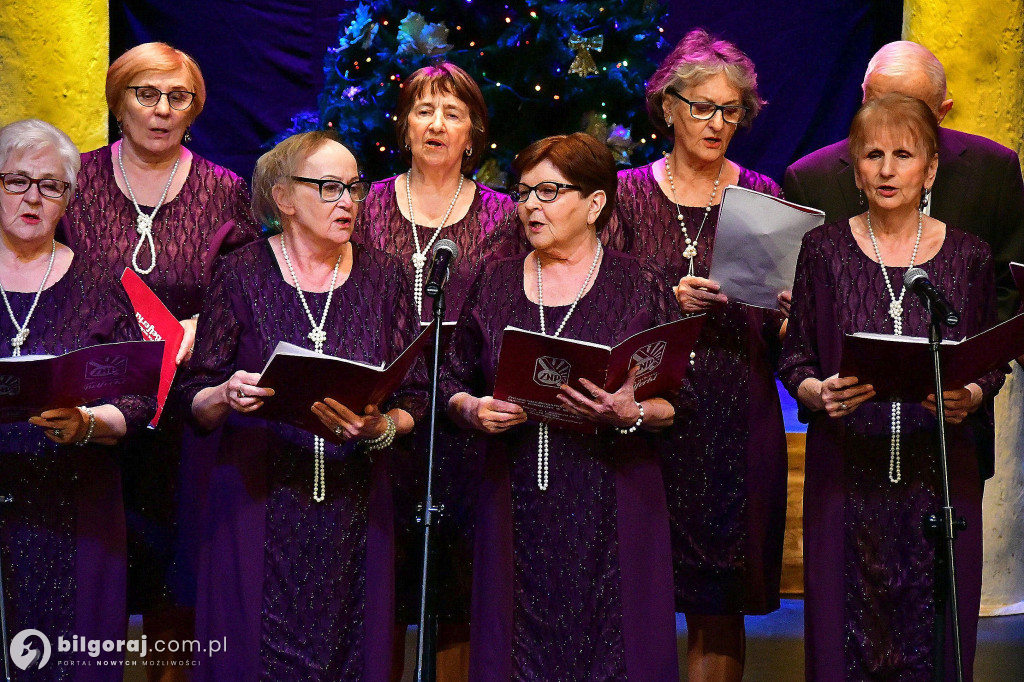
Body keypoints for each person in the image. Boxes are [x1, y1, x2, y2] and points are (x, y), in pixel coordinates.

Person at [178, 130, 427, 680]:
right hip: (255, 502)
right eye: (330, 187)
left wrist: (380, 425)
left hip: (355, 506)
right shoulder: (239, 272)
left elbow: (416, 397)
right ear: (284, 197)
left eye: (354, 188)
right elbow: (193, 395)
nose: (348, 201)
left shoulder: (385, 278)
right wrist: (225, 394)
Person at [779, 94, 1005, 681]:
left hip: (940, 477)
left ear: (929, 168)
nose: (885, 169)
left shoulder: (970, 257)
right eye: (872, 155)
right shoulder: (822, 251)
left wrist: (972, 395)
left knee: (935, 636)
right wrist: (814, 391)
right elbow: (795, 352)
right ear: (854, 168)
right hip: (845, 474)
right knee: (843, 638)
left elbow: (988, 361)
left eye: (902, 155)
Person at [442, 133, 682, 681]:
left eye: (549, 192)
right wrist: (472, 407)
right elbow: (451, 378)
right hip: (513, 494)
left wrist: (633, 412)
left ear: (595, 203)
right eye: (524, 192)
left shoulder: (640, 283)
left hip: (614, 497)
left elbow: (676, 400)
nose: (530, 205)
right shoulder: (495, 280)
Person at [60, 41, 261, 674]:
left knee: (179, 572)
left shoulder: (226, 191)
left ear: (195, 110)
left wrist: (194, 330)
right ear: (118, 102)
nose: (161, 110)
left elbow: (248, 289)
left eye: (178, 98)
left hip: (188, 402)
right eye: (146, 94)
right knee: (91, 571)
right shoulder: (77, 181)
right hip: (89, 398)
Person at [604, 28, 787, 682]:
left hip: (738, 413)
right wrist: (661, 300)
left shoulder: (761, 192)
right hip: (650, 414)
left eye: (731, 110)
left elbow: (779, 324)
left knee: (722, 604)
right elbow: (599, 305)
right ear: (670, 106)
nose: (717, 123)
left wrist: (787, 309)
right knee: (636, 590)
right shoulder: (624, 194)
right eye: (703, 107)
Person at [354, 61, 519, 676]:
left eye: (453, 113)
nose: (437, 124)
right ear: (404, 125)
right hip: (382, 410)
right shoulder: (364, 205)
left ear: (473, 132)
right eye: (424, 110)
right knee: (385, 581)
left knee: (457, 587)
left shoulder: (504, 215)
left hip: (466, 412)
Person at [0, 119, 156, 678]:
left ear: (69, 199)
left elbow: (140, 393)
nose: (33, 198)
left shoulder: (98, 282)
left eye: (51, 185)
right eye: (16, 181)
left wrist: (89, 422)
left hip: (76, 507)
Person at [784, 40, 1024, 323]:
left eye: (909, 113)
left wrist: (969, 354)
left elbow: (1009, 285)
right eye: (878, 105)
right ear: (863, 99)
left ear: (941, 112)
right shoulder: (810, 179)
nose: (890, 123)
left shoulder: (993, 170)